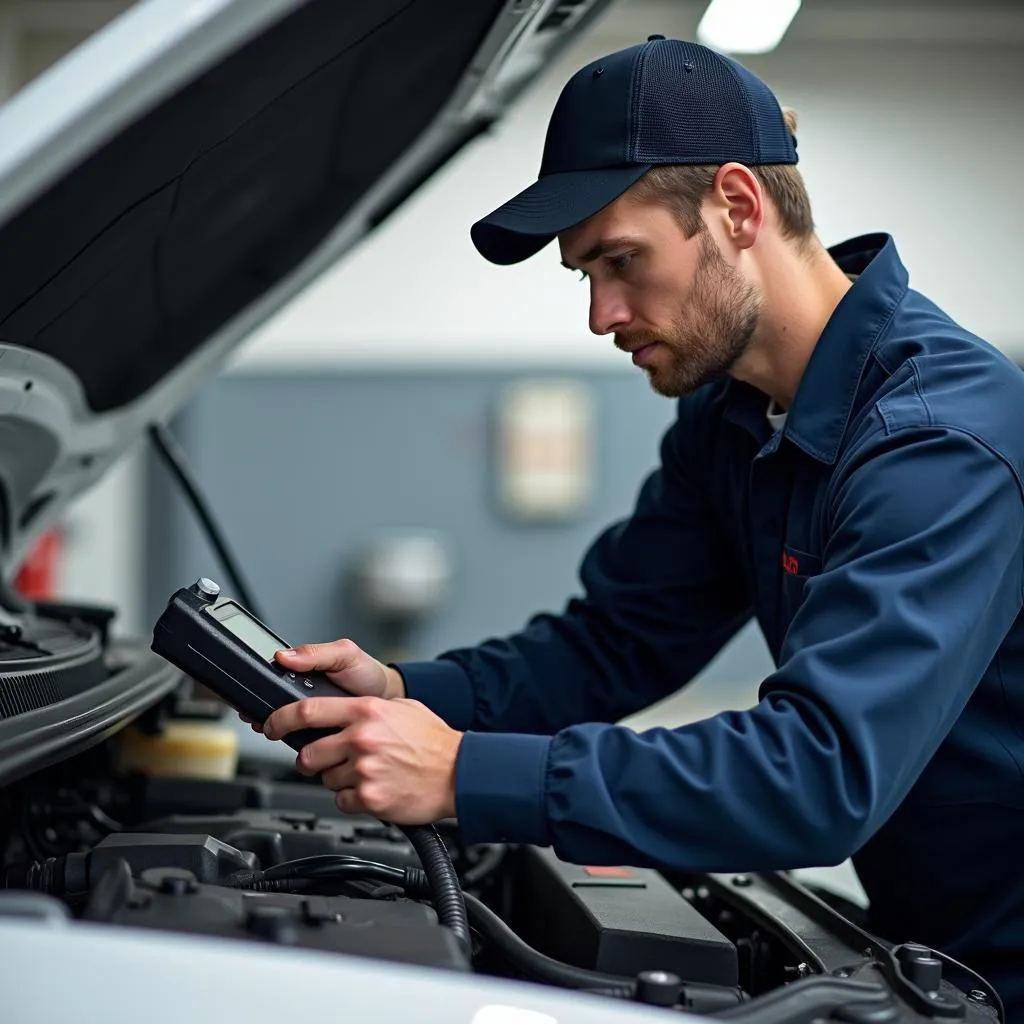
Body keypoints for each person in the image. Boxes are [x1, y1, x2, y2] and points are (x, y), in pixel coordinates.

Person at [258, 37, 1024, 1013]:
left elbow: (816, 777)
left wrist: (461, 772)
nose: (600, 314)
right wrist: (411, 690)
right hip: (923, 941)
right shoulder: (732, 416)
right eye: (583, 274)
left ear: (738, 209)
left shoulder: (938, 443)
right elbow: (616, 642)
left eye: (621, 261)